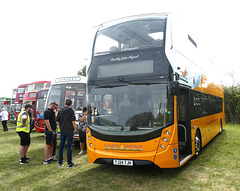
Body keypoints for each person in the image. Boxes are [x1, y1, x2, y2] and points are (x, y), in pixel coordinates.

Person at [57, 99, 77, 168]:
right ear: (71, 104)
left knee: (61, 146)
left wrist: (61, 127)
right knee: (69, 146)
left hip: (62, 130)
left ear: (65, 103)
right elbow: (73, 121)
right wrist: (75, 128)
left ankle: (60, 163)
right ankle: (69, 163)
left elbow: (58, 121)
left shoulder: (60, 111)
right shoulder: (72, 110)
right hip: (69, 130)